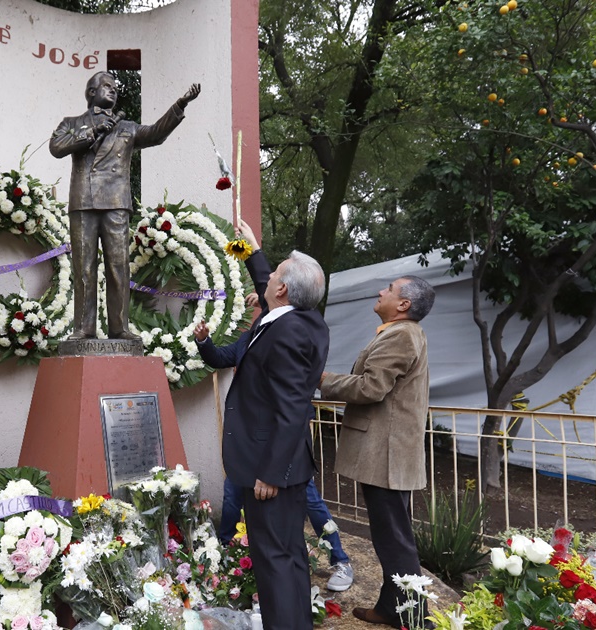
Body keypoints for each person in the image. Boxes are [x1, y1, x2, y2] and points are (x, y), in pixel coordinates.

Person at [194, 221, 353, 592]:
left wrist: (271, 470)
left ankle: (338, 558)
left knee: (279, 561)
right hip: (252, 457)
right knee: (281, 557)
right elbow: (274, 285)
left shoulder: (288, 330)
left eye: (274, 276)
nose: (264, 284)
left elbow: (292, 408)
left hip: (274, 463)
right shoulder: (288, 321)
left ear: (280, 291)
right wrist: (250, 249)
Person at [319, 276, 436, 629]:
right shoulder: (402, 333)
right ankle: (390, 608)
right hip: (390, 453)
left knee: (394, 540)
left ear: (403, 304)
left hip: (388, 455)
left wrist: (321, 378)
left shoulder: (401, 334)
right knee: (390, 536)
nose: (381, 291)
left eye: (389, 288)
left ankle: (416, 619)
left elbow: (371, 387)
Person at [50, 71, 201, 341]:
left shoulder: (127, 127)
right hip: (83, 202)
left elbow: (155, 134)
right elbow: (57, 147)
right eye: (106, 86)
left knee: (118, 267)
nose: (113, 90)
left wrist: (180, 106)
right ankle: (84, 328)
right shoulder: (72, 123)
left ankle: (119, 327)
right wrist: (92, 131)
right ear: (91, 93)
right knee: (84, 269)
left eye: (114, 87)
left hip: (117, 203)